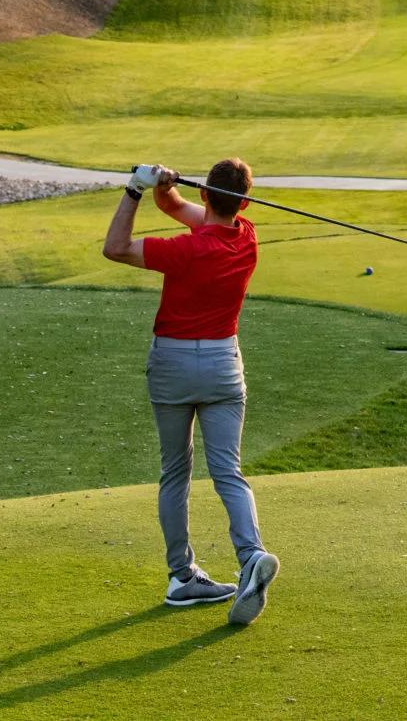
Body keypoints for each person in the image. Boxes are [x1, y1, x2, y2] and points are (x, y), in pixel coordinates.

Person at [103, 158, 280, 625]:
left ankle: (182, 578)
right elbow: (181, 206)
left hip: (173, 364)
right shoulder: (247, 236)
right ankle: (250, 557)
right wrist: (167, 187)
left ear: (206, 194)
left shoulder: (184, 251)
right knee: (228, 472)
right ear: (243, 202)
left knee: (175, 472)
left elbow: (114, 247)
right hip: (223, 364)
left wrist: (135, 190)